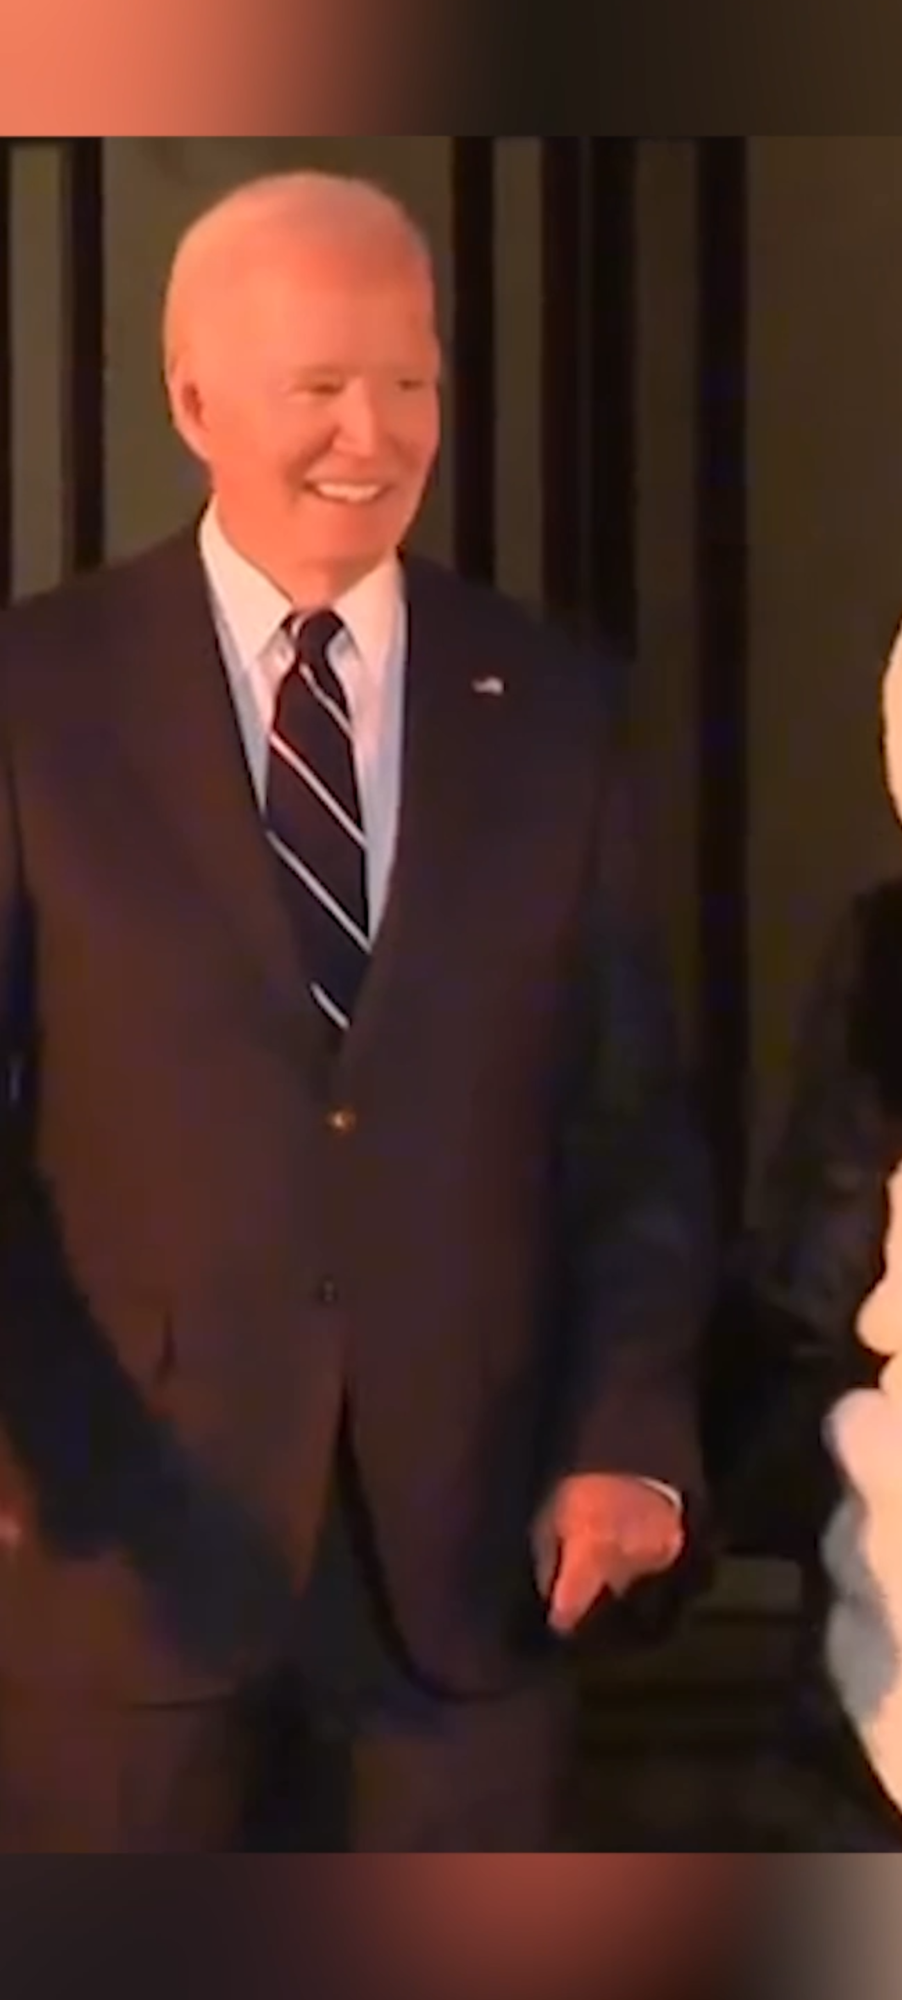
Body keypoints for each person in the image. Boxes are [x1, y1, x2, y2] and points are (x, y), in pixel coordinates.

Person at [0, 171, 713, 1851]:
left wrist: (630, 1444)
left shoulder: (550, 699)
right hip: (120, 1562)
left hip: (469, 1581)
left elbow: (631, 1132)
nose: (372, 434)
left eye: (410, 382)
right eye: (319, 386)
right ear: (194, 401)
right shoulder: (39, 695)